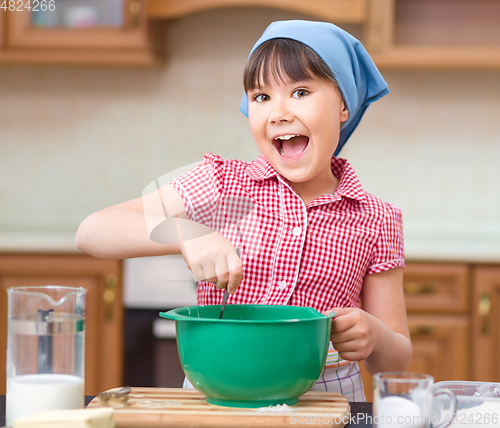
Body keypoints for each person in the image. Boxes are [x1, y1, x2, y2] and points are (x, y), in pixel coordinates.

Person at [76, 20, 412, 401]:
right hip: (216, 387)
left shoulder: (376, 218)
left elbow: (395, 360)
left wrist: (376, 336)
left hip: (325, 399)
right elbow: (92, 230)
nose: (278, 113)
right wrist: (187, 233)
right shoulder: (221, 182)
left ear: (343, 107)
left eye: (300, 91)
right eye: (261, 97)